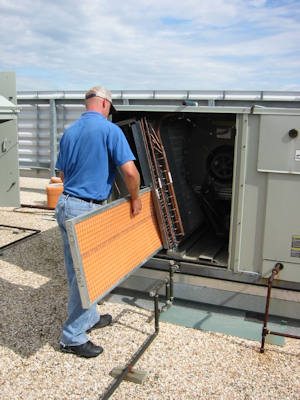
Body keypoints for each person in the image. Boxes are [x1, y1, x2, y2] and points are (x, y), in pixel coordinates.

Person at [55, 86, 142, 358]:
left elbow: (61, 173)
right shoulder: (110, 130)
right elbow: (130, 172)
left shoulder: (69, 132)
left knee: (77, 270)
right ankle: (72, 337)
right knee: (87, 274)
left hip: (66, 204)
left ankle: (89, 317)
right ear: (105, 104)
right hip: (85, 210)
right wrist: (135, 199)